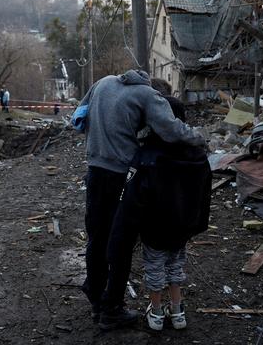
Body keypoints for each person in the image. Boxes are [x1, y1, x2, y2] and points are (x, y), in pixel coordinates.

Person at [80, 70, 205, 331]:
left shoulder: (103, 83)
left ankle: (95, 297)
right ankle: (111, 309)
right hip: (121, 176)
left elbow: (79, 115)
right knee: (121, 242)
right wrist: (199, 138)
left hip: (94, 170)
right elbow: (171, 130)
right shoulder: (148, 95)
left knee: (97, 235)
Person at [110, 78, 211, 332]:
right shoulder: (198, 156)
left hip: (155, 228)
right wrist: (197, 224)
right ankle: (178, 312)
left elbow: (134, 198)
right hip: (183, 228)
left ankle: (155, 313)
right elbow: (205, 194)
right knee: (176, 265)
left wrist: (128, 229)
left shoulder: (146, 156)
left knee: (155, 268)